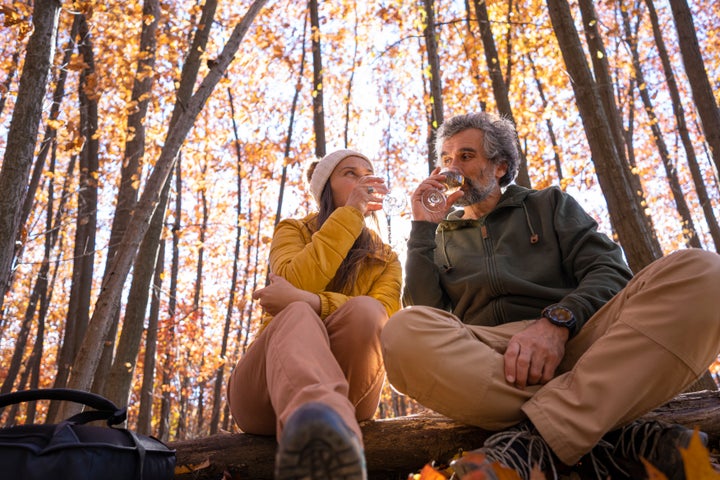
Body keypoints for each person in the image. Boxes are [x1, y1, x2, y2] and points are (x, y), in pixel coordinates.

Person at [380, 112, 720, 479]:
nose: (451, 169)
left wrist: (558, 322)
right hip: (494, 362)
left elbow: (610, 271)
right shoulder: (439, 236)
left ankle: (534, 442)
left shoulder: (548, 204)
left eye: (465, 156)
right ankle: (614, 433)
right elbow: (428, 312)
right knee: (402, 332)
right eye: (445, 160)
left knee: (705, 272)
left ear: (500, 166)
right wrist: (422, 230)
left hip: (584, 343)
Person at [226, 149, 402, 480]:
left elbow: (387, 319)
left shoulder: (386, 258)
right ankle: (322, 431)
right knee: (295, 314)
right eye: (350, 173)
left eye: (368, 173)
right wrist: (350, 215)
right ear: (325, 188)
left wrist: (314, 302)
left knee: (365, 310)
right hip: (262, 392)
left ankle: (327, 439)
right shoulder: (292, 230)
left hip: (355, 390)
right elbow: (293, 281)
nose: (363, 180)